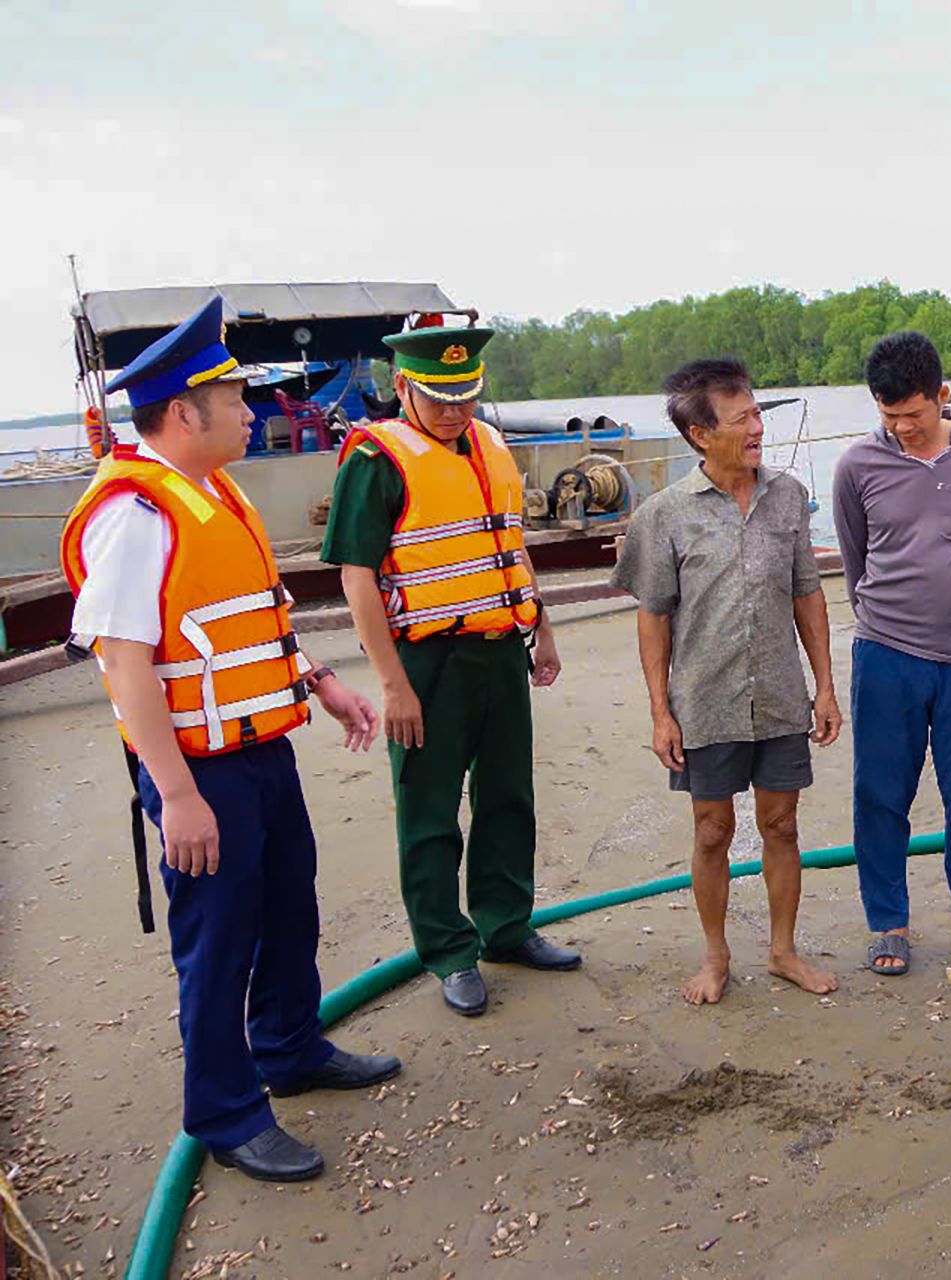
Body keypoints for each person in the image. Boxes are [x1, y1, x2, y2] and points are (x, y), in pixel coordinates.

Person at [60, 296, 399, 1183]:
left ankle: (289, 1048)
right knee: (216, 942)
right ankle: (224, 1110)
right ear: (182, 412)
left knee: (290, 904)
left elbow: (249, 626)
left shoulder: (214, 493)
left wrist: (320, 685)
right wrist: (174, 794)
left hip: (259, 748)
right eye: (237, 400)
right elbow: (127, 664)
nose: (255, 414)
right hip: (197, 768)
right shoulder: (134, 516)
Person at [324, 321, 580, 1018]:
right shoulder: (375, 459)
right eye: (438, 398)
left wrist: (542, 630)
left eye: (465, 396)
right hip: (427, 660)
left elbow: (511, 548)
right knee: (430, 812)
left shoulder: (492, 445)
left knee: (507, 798)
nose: (453, 410)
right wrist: (392, 684)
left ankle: (505, 926)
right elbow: (356, 578)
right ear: (402, 387)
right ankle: (448, 951)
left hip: (500, 650)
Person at [612, 358, 842, 1004]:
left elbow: (807, 596)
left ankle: (783, 951)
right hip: (704, 704)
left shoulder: (789, 497)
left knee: (782, 826)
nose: (757, 428)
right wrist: (660, 712)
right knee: (712, 830)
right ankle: (715, 958)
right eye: (742, 419)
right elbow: (653, 618)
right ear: (699, 435)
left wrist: (823, 688)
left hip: (778, 695)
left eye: (757, 413)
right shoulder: (664, 515)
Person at [833, 332, 951, 976]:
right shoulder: (858, 465)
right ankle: (890, 923)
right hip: (885, 652)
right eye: (889, 416)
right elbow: (856, 561)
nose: (903, 428)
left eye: (913, 413)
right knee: (880, 792)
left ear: (942, 395)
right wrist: (899, 607)